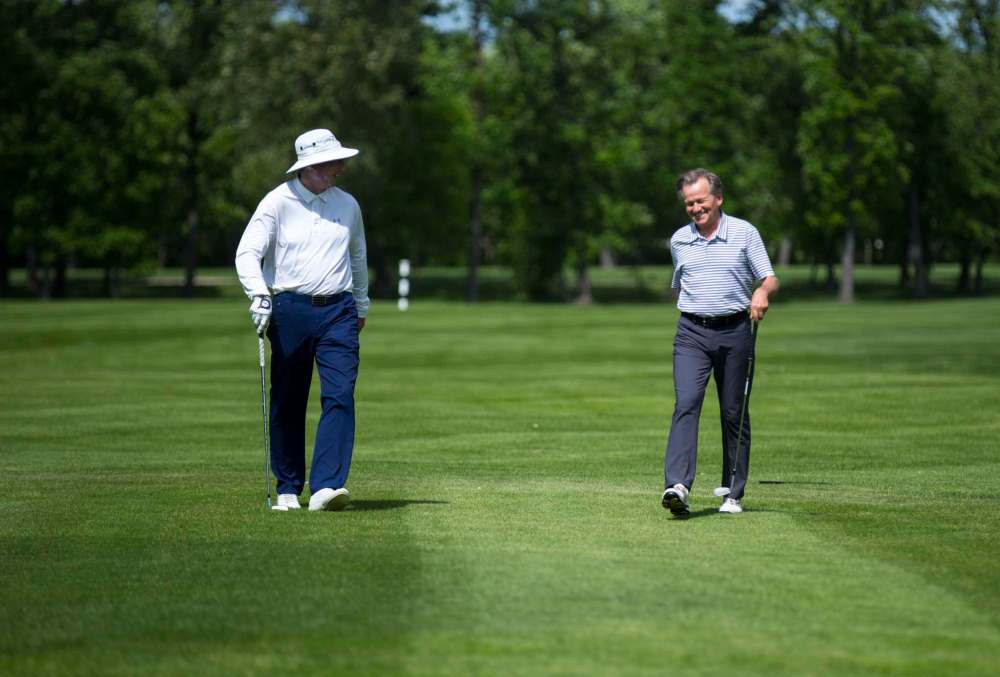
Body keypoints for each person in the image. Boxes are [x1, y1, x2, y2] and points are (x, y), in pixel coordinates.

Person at [235, 128, 369, 512]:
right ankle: (289, 487)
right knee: (289, 400)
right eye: (332, 163)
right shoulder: (277, 203)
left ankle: (327, 486)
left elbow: (357, 257)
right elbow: (247, 254)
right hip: (289, 309)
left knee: (340, 394)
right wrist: (259, 294)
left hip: (340, 311)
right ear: (309, 167)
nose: (340, 168)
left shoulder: (348, 205)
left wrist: (361, 305)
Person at [660, 168, 778, 517]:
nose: (695, 208)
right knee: (687, 402)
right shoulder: (679, 240)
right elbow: (680, 285)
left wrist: (760, 291)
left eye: (700, 201)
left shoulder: (744, 233)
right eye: (689, 203)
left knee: (733, 411)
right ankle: (677, 485)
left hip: (735, 332)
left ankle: (733, 491)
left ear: (718, 199)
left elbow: (770, 278)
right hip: (692, 334)